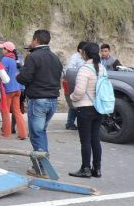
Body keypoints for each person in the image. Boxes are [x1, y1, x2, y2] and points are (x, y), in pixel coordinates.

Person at [17, 30, 63, 164]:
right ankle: (44, 162)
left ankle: (42, 166)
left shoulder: (33, 57)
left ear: (35, 40)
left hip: (39, 99)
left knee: (37, 134)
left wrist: (18, 76)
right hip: (53, 99)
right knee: (41, 132)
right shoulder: (55, 57)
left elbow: (25, 77)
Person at [68, 42, 105, 178]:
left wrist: (72, 97)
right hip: (99, 108)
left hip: (85, 108)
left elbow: (79, 91)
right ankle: (97, 169)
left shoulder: (84, 69)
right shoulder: (102, 68)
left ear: (85, 53)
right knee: (95, 139)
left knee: (85, 141)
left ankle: (85, 168)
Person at [0, 42, 28, 139]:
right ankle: (23, 133)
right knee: (17, 111)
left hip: (8, 89)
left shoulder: (5, 59)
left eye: (3, 48)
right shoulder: (15, 59)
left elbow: (2, 74)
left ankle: (6, 132)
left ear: (7, 50)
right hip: (17, 88)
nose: (2, 50)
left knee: (5, 111)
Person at [63, 41, 88, 130]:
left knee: (79, 104)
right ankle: (70, 123)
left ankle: (74, 123)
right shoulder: (75, 57)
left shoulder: (85, 58)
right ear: (80, 49)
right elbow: (70, 69)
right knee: (73, 103)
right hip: (73, 82)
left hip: (81, 82)